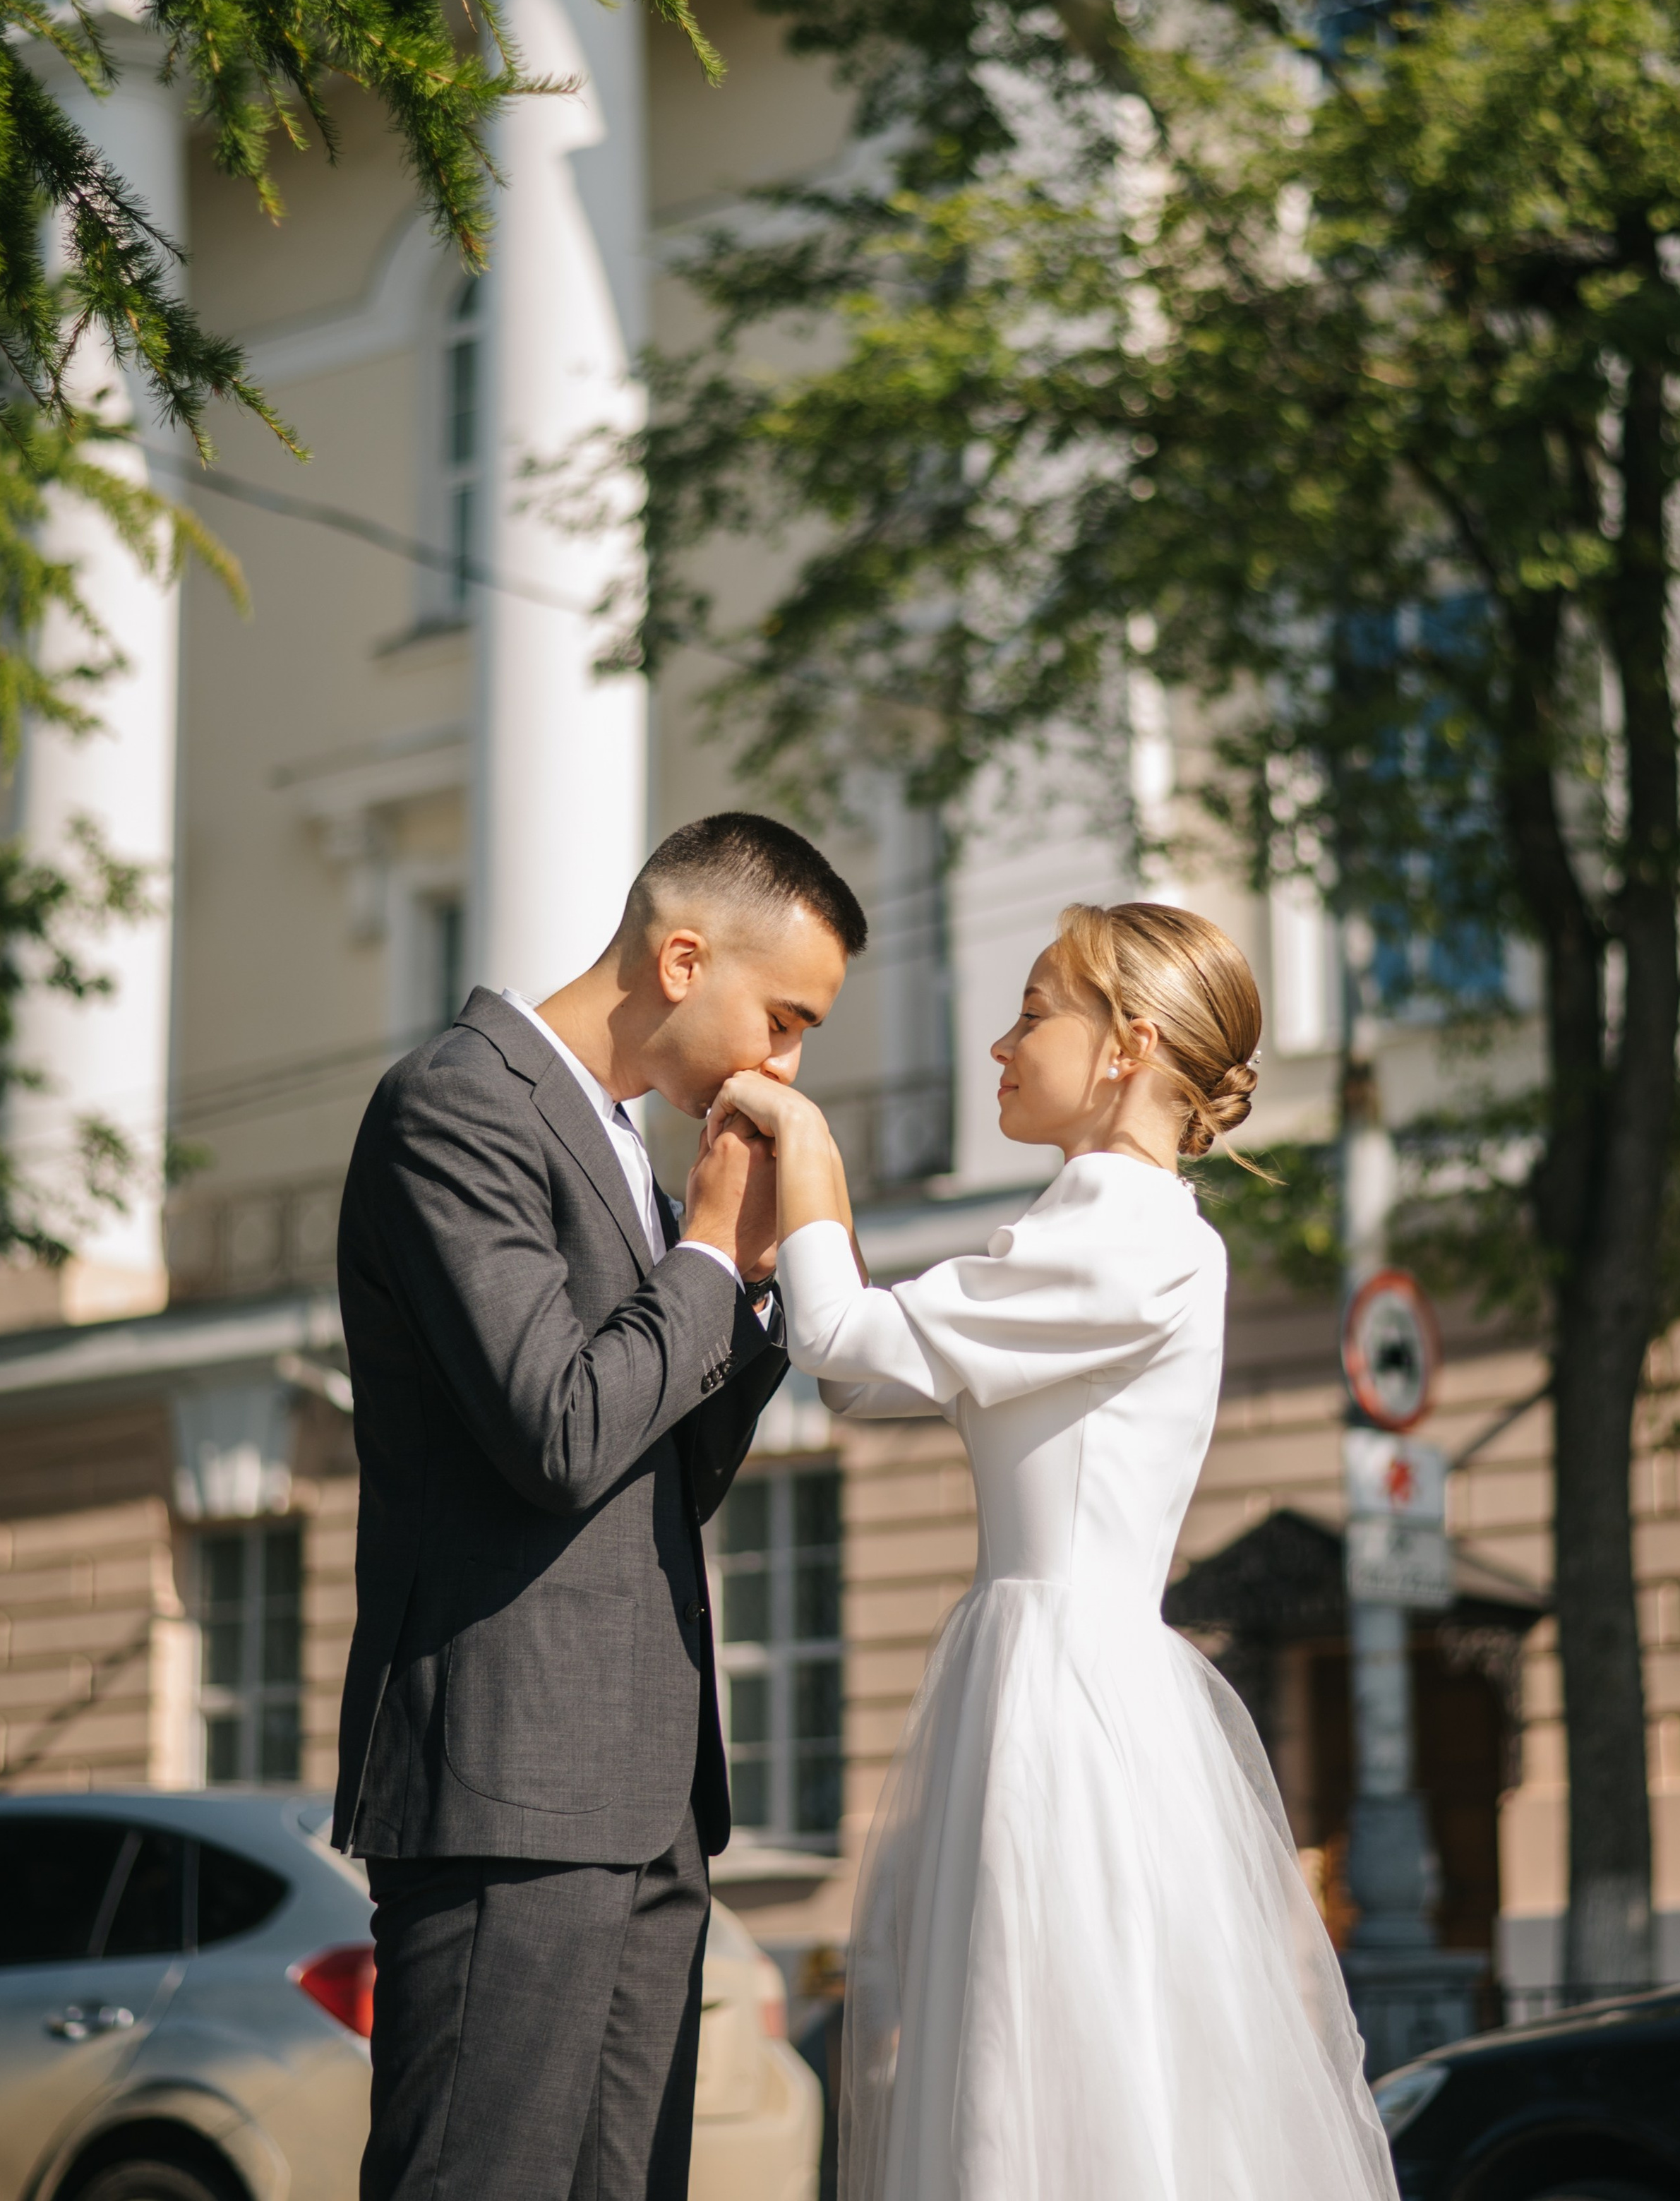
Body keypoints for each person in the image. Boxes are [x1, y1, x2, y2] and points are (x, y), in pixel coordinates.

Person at [709, 900, 1397, 2201]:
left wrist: (803, 1136)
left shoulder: (1128, 1231)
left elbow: (845, 1347)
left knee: (1047, 2066)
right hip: (1048, 1671)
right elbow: (866, 1374)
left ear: (1129, 1046)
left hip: (1062, 1689)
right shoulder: (1101, 1224)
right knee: (1041, 2056)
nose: (1001, 1045)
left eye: (1035, 1012)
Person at [332, 812, 866, 2201]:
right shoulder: (457, 1101)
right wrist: (701, 1249)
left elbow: (666, 1464)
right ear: (682, 958)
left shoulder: (626, 1149)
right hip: (508, 1786)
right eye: (784, 1019)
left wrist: (741, 1288)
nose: (785, 1066)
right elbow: (561, 1431)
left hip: (645, 1799)